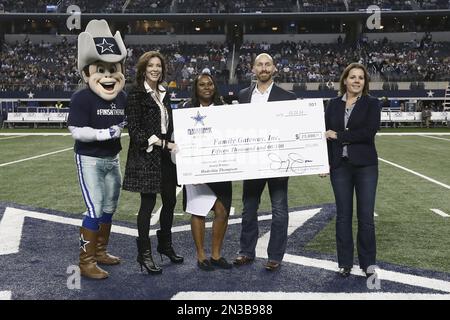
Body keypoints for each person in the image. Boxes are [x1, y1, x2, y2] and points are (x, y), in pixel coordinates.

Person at [67, 19, 127, 279]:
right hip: (89, 159)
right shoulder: (81, 97)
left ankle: (101, 251)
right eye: (100, 69)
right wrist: (105, 133)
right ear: (87, 73)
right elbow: (77, 131)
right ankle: (86, 261)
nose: (107, 76)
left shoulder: (122, 97)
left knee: (109, 207)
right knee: (94, 208)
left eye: (112, 69)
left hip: (112, 158)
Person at [233, 53, 297, 271]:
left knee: (279, 210)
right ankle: (246, 252)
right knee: (249, 209)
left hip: (277, 161)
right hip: (252, 161)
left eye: (267, 64)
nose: (263, 68)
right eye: (259, 64)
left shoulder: (287, 97)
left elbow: (293, 130)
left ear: (274, 68)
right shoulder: (242, 95)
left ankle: (275, 256)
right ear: (253, 69)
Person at [122, 51, 183, 275]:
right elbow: (136, 132)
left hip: (166, 157)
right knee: (147, 206)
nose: (155, 69)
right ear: (143, 69)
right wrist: (163, 144)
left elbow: (169, 125)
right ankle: (144, 254)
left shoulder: (165, 93)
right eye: (151, 66)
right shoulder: (136, 93)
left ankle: (165, 246)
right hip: (146, 156)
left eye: (158, 65)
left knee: (169, 202)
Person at [324, 62, 381, 278]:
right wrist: (324, 162)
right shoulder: (332, 104)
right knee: (343, 216)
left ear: (364, 82)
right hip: (340, 167)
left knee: (366, 217)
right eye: (352, 77)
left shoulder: (372, 104)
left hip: (365, 166)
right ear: (345, 80)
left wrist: (339, 135)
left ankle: (368, 263)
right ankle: (344, 263)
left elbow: (368, 133)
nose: (357, 81)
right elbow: (325, 137)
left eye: (361, 78)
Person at [180, 73, 233, 271]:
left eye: (210, 84)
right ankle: (201, 255)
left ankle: (217, 254)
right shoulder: (187, 109)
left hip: (219, 168)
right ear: (196, 88)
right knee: (198, 210)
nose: (206, 87)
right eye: (202, 85)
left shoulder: (224, 109)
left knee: (222, 211)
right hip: (195, 169)